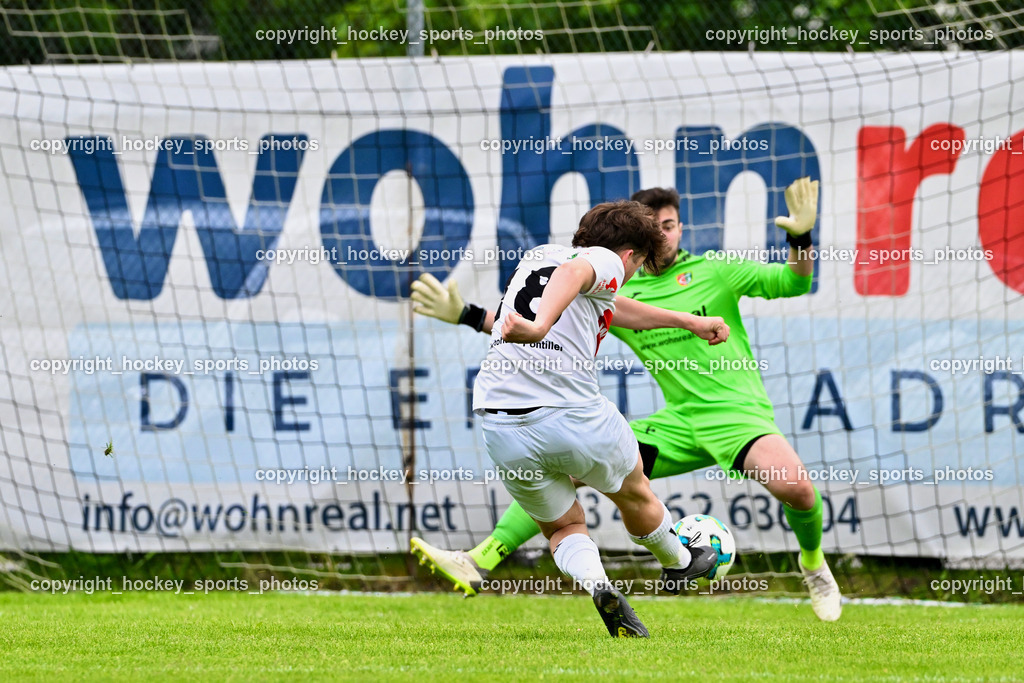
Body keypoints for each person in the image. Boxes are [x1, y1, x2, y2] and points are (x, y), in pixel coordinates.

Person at [411, 177, 843, 622]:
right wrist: (468, 316)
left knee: (796, 488)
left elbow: (794, 281)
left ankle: (812, 565)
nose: (665, 234)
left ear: (679, 229)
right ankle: (481, 559)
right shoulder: (614, 275)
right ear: (634, 246)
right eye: (656, 227)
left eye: (671, 225)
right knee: (585, 477)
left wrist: (801, 237)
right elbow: (550, 316)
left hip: (735, 416)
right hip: (676, 422)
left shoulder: (716, 270)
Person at [440, 200, 728, 637]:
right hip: (571, 414)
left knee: (564, 525)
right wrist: (539, 328)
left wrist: (687, 321)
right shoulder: (603, 259)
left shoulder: (538, 257)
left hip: (500, 422)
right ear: (628, 255)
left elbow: (614, 305)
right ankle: (680, 562)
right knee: (635, 493)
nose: (629, 273)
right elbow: (576, 276)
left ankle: (600, 588)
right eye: (638, 264)